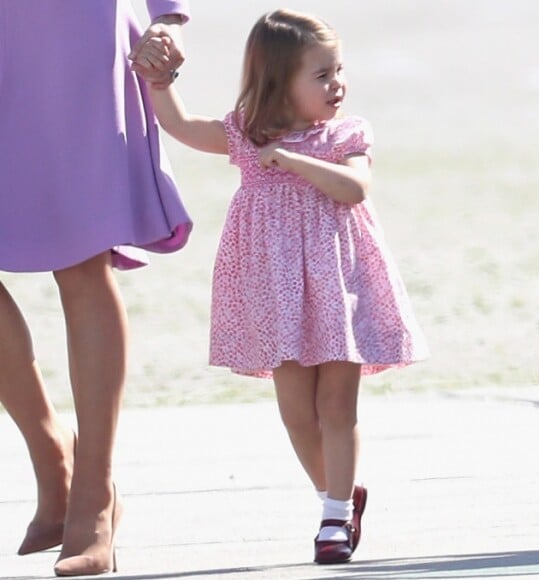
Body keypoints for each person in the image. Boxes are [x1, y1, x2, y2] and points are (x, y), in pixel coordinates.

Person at [132, 8, 429, 565]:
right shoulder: (247, 133)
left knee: (337, 405)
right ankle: (338, 494)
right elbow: (180, 125)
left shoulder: (345, 134)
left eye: (338, 69)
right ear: (278, 82)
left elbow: (355, 188)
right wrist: (159, 81)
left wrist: (294, 161)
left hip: (341, 288)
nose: (336, 83)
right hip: (275, 294)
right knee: (297, 412)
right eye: (320, 74)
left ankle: (334, 518)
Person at [0, 1, 192, 576]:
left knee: (80, 260)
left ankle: (93, 494)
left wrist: (168, 16)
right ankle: (51, 454)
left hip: (68, 31)